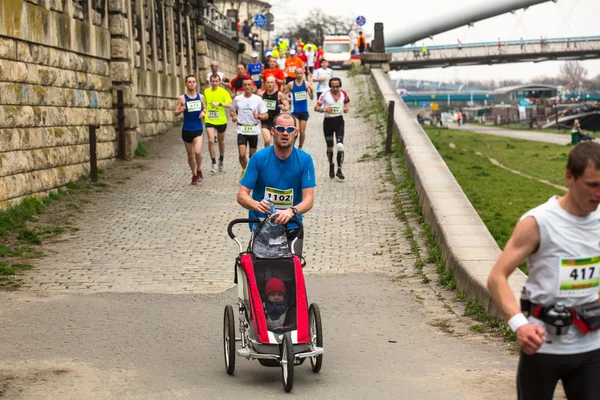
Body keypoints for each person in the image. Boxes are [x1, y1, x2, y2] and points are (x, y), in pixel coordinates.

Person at [487, 141, 600, 400]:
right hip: (541, 346)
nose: (599, 193)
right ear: (569, 177)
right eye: (592, 185)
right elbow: (497, 277)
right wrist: (519, 325)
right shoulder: (538, 222)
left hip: (592, 347)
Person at [237, 112, 316, 257]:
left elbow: (309, 200)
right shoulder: (259, 158)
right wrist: (256, 205)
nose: (285, 133)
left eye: (290, 129)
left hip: (292, 225)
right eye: (280, 129)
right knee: (263, 274)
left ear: (296, 132)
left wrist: (291, 211)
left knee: (293, 270)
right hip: (262, 225)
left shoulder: (305, 160)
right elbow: (242, 195)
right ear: (272, 131)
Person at [231, 78, 268, 178]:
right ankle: (244, 170)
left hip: (253, 130)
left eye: (249, 85)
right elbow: (232, 110)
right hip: (241, 129)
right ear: (242, 87)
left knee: (252, 155)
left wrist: (259, 116)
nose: (247, 87)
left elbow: (266, 115)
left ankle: (251, 171)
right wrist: (233, 116)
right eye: (245, 85)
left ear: (253, 87)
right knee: (242, 154)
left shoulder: (258, 99)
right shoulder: (237, 99)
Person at [314, 77, 350, 180]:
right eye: (333, 86)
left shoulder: (343, 93)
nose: (335, 88)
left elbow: (347, 102)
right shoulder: (325, 95)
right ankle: (331, 164)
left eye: (337, 86)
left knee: (340, 146)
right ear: (330, 86)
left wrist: (347, 108)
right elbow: (316, 107)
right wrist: (324, 109)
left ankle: (339, 170)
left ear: (340, 86)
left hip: (339, 121)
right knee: (330, 147)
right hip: (328, 123)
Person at [174, 75, 206, 185]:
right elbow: (175, 113)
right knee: (190, 155)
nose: (191, 83)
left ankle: (199, 169)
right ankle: (194, 174)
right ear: (186, 84)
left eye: (193, 81)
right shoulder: (182, 98)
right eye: (189, 82)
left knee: (197, 151)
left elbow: (205, 108)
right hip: (187, 129)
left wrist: (204, 113)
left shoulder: (201, 97)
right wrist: (181, 110)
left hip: (198, 128)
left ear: (196, 83)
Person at [203, 73, 232, 173]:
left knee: (221, 141)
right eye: (213, 81)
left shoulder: (223, 92)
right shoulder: (206, 91)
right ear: (210, 82)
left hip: (221, 120)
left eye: (216, 81)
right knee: (211, 140)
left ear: (219, 82)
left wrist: (219, 104)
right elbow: (205, 104)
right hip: (209, 119)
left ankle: (221, 159)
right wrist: (204, 110)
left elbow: (230, 104)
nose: (214, 83)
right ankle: (213, 162)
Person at [287, 66, 314, 150]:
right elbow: (284, 94)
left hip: (304, 111)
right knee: (296, 130)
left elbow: (312, 97)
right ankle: (292, 147)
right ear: (295, 74)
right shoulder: (291, 84)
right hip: (295, 111)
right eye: (297, 73)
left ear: (303, 74)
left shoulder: (306, 84)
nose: (299, 75)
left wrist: (312, 91)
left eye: (301, 73)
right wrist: (289, 99)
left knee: (302, 131)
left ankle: (300, 147)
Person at [261, 76, 289, 147]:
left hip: (276, 122)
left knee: (276, 143)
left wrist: (284, 108)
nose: (270, 84)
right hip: (265, 122)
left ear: (275, 84)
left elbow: (287, 106)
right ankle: (267, 155)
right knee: (267, 140)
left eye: (271, 82)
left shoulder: (279, 94)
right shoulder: (262, 94)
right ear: (265, 84)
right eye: (268, 82)